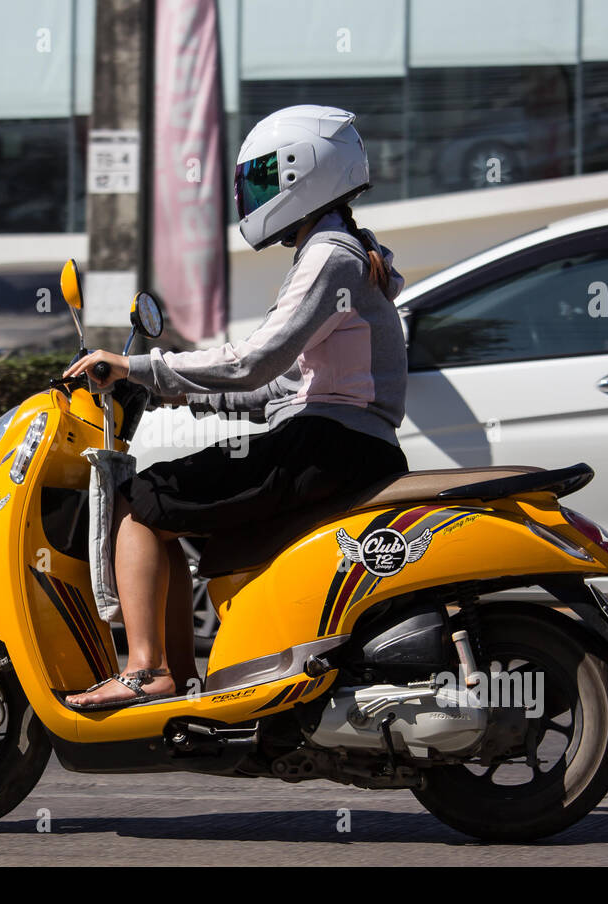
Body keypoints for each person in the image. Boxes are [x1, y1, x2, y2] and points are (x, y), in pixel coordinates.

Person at [64, 104, 409, 711]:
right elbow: (279, 384)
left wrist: (140, 367)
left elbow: (256, 360)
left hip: (328, 445)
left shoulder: (330, 256)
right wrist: (188, 394)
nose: (253, 195)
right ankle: (176, 681)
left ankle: (146, 673)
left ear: (305, 171)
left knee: (137, 500)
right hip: (336, 440)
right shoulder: (340, 249)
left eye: (262, 179)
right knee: (162, 505)